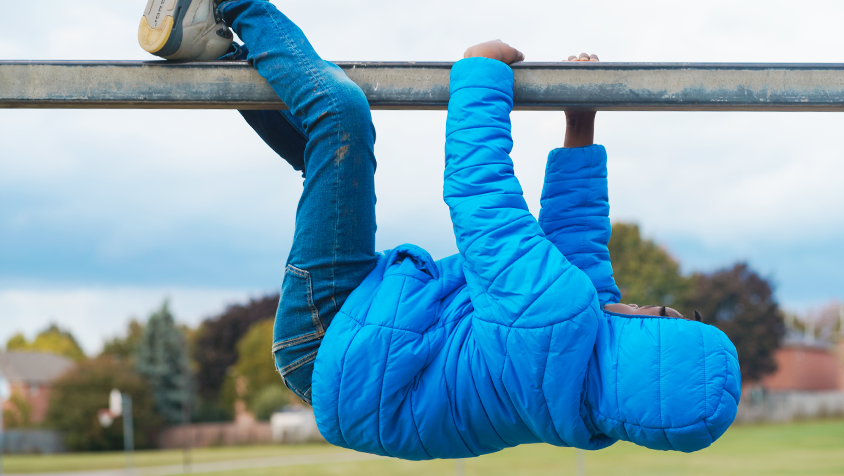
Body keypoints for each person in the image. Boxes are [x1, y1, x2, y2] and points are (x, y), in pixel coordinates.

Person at [139, 0, 741, 460]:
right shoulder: (578, 392)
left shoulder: (551, 320)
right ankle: (216, 55)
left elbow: (483, 201)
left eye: (665, 314)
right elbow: (577, 241)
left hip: (336, 336)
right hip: (356, 349)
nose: (647, 305)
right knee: (326, 163)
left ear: (654, 342)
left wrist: (478, 76)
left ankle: (225, 5)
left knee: (341, 122)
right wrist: (579, 124)